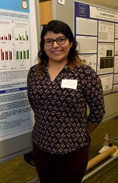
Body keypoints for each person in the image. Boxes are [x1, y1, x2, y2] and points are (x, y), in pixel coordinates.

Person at [27, 20, 105, 183]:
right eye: (49, 41)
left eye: (61, 39)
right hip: (41, 145)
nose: (55, 45)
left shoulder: (85, 73)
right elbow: (35, 106)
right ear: (43, 45)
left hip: (74, 148)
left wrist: (83, 134)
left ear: (70, 42)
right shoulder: (34, 73)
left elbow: (98, 111)